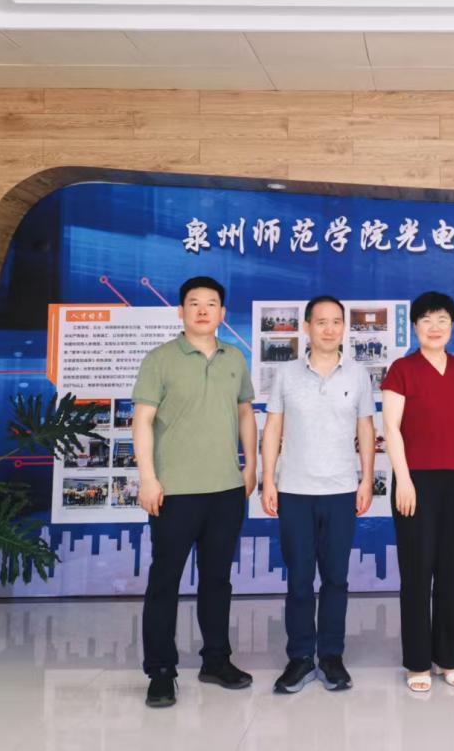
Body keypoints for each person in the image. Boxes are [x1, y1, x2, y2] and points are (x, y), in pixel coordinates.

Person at [133, 275, 258, 709]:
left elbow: (245, 413)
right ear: (181, 311)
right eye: (194, 303)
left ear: (223, 313)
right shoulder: (160, 359)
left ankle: (216, 660)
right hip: (175, 492)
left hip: (226, 489)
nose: (203, 310)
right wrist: (148, 478)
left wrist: (250, 466)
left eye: (211, 303)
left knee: (217, 580)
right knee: (165, 581)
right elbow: (142, 421)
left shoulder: (235, 358)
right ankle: (160, 671)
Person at [260, 296, 375, 694]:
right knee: (299, 579)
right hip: (294, 490)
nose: (329, 329)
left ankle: (331, 656)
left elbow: (365, 429)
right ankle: (299, 658)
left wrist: (366, 479)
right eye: (321, 322)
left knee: (336, 578)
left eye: (336, 322)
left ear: (344, 327)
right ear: (306, 327)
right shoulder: (286, 374)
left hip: (341, 491)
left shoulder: (358, 375)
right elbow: (273, 428)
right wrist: (268, 480)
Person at [381, 291, 454, 693]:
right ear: (415, 327)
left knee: (451, 571)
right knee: (417, 571)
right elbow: (391, 428)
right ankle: (417, 662)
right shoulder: (402, 369)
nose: (435, 327)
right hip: (417, 481)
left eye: (442, 319)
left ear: (452, 325)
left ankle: (448, 658)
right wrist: (403, 479)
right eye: (426, 320)